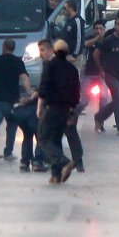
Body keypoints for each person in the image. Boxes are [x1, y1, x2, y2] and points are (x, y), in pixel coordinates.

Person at [37, 40, 80, 184]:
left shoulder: (51, 66)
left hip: (52, 107)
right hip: (66, 109)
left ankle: (64, 162)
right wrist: (73, 112)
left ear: (55, 51)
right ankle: (56, 175)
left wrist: (40, 107)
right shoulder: (72, 69)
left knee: (43, 137)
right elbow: (76, 92)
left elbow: (44, 88)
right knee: (55, 140)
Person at [0, 38, 31, 161]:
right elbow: (24, 77)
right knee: (12, 127)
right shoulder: (17, 62)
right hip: (12, 101)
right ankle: (8, 153)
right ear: (13, 48)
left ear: (3, 46)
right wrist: (30, 92)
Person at [13, 39, 54, 173]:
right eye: (39, 50)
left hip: (31, 109)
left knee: (28, 136)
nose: (40, 53)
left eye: (42, 50)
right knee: (41, 135)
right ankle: (38, 161)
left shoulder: (51, 65)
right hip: (37, 110)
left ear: (50, 50)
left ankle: (25, 163)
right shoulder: (50, 65)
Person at [94, 16, 119, 135]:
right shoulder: (109, 40)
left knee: (117, 101)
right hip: (111, 75)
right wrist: (101, 69)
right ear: (114, 26)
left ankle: (99, 117)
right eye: (118, 24)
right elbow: (96, 54)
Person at [77, 20, 109, 118]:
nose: (98, 30)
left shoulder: (108, 40)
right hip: (89, 73)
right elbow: (86, 44)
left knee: (104, 98)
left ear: (104, 29)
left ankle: (100, 121)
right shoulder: (90, 38)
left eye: (100, 29)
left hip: (102, 75)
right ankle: (72, 117)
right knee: (84, 101)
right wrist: (97, 38)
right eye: (96, 28)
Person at [60, 0, 86, 64]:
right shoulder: (68, 21)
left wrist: (75, 55)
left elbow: (79, 39)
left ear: (71, 7)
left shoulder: (77, 21)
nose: (64, 10)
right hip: (67, 55)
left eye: (65, 8)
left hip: (74, 56)